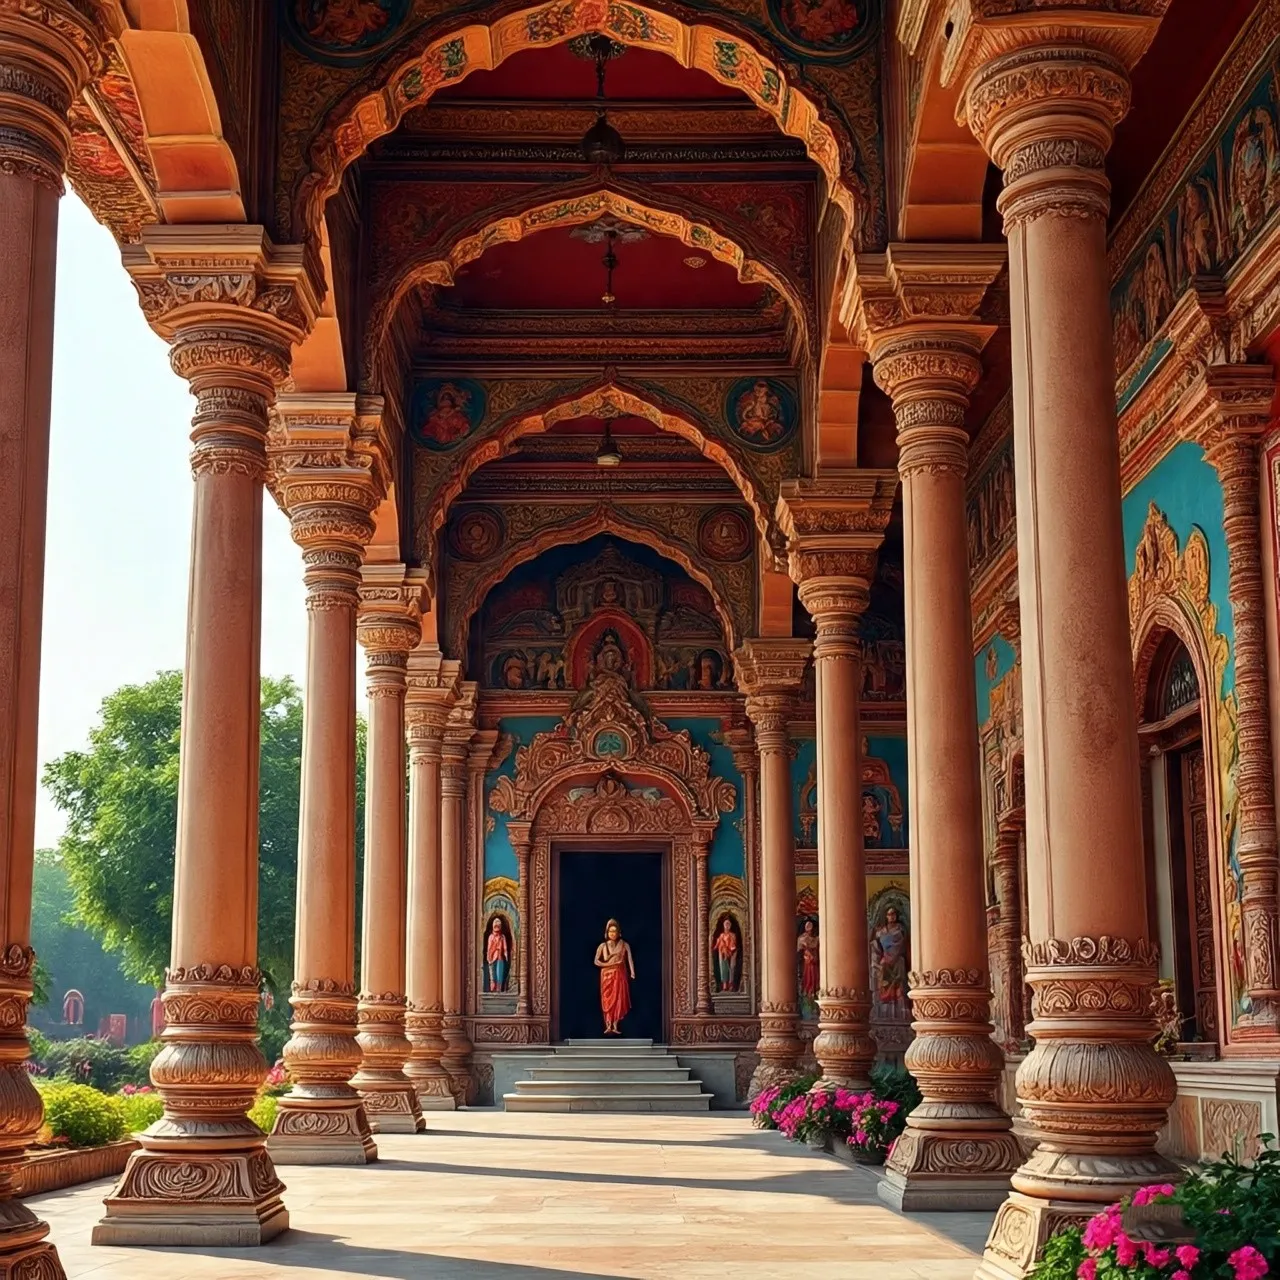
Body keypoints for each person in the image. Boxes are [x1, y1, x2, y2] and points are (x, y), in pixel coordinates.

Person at [594, 918, 635, 1035]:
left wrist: (632, 972)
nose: (613, 934)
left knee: (619, 1000)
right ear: (607, 933)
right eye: (610, 931)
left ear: (619, 933)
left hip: (620, 974)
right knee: (607, 1000)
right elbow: (596, 961)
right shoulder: (603, 946)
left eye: (614, 931)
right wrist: (609, 964)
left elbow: (630, 959)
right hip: (606, 976)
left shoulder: (624, 945)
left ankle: (615, 1025)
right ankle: (608, 1025)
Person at [713, 916, 740, 992]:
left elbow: (733, 945)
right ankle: (725, 983)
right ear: (724, 925)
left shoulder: (732, 935)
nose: (727, 926)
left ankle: (731, 983)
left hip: (731, 952)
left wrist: (730, 951)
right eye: (726, 924)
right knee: (723, 967)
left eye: (728, 924)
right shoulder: (721, 936)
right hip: (723, 953)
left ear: (730, 925)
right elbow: (717, 946)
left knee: (732, 967)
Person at [486, 916, 510, 992]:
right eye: (495, 925)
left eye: (498, 926)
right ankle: (493, 988)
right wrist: (489, 957)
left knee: (499, 973)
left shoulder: (502, 937)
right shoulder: (491, 937)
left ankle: (499, 989)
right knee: (493, 974)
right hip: (492, 958)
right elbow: (489, 948)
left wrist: (506, 955)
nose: (497, 927)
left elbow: (505, 947)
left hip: (500, 958)